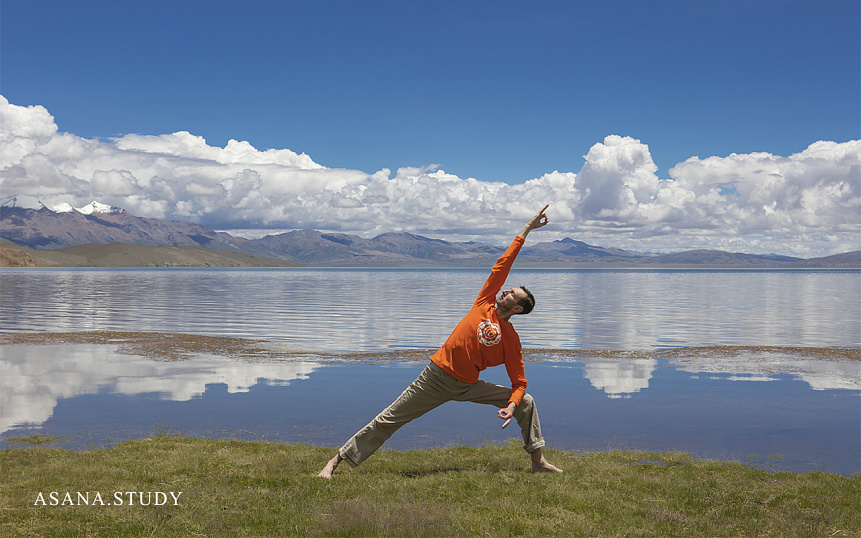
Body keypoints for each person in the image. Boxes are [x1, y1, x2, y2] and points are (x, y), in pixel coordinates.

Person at [318, 204, 562, 478]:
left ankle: (538, 461)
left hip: (468, 386)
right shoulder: (484, 303)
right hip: (435, 378)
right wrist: (527, 229)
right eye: (507, 289)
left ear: (517, 308)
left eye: (511, 294)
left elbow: (519, 382)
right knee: (389, 419)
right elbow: (502, 266)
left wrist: (512, 405)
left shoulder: (511, 340)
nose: (505, 291)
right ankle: (334, 463)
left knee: (527, 401)